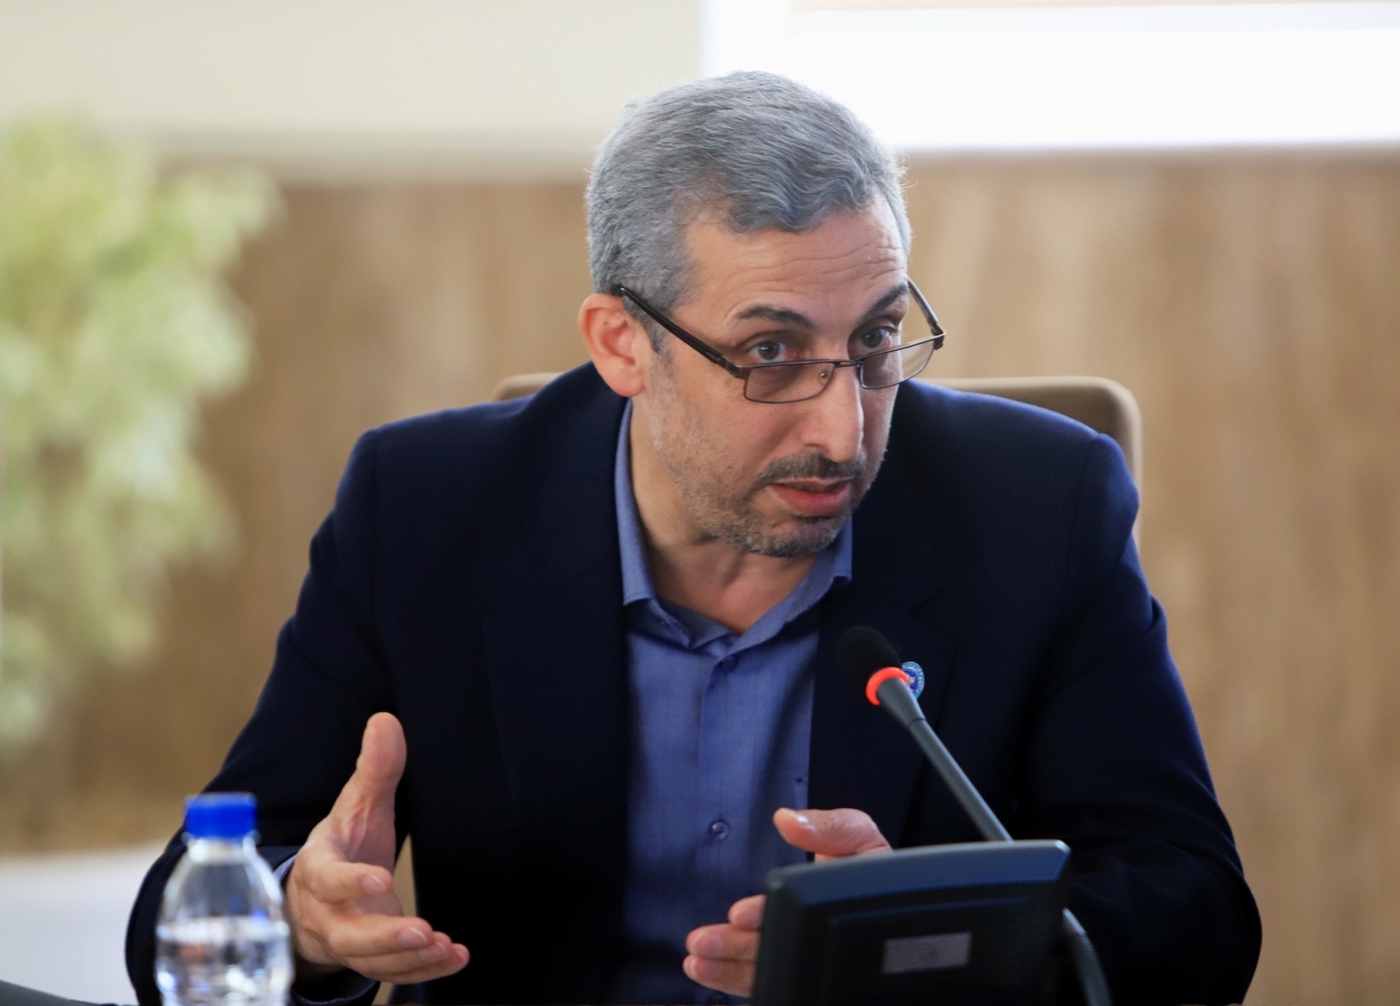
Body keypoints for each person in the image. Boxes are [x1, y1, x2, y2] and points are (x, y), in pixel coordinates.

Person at [126, 71, 1260, 1006]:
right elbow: (189, 902)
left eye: (875, 340)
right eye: (770, 353)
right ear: (622, 345)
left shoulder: (1038, 506)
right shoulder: (424, 510)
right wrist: (299, 915)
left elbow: (1196, 910)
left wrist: (926, 945)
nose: (844, 429)